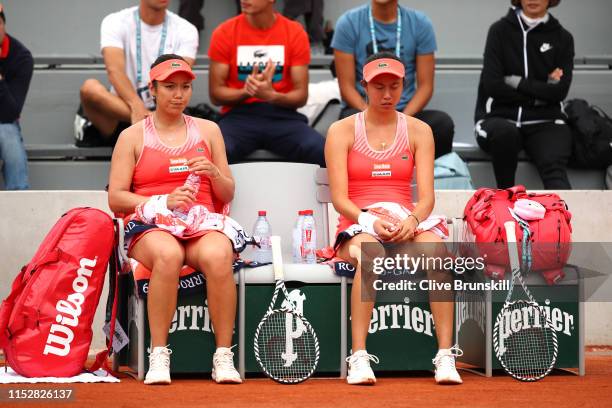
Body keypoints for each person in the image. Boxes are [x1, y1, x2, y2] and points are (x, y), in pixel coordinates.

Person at [325, 52, 463, 385]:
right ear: (364, 87)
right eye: (378, 87)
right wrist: (369, 221)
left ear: (404, 85)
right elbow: (339, 199)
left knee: (439, 254)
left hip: (405, 226)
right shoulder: (341, 130)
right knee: (370, 256)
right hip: (358, 228)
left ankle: (445, 356)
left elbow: (427, 198)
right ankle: (359, 356)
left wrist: (412, 221)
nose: (386, 94)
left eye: (394, 86)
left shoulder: (420, 130)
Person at [108, 54, 242, 385]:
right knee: (168, 254)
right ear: (152, 89)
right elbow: (116, 198)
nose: (178, 94)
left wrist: (213, 173)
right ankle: (158, 354)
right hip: (151, 226)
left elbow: (227, 193)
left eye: (184, 87)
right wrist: (161, 201)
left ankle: (223, 355)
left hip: (200, 223)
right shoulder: (132, 136)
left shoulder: (209, 131)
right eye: (170, 87)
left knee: (219, 254)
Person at [208, 0, 326, 167]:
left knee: (322, 151)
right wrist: (247, 91)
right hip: (238, 116)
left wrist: (272, 96)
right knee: (212, 153)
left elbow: (300, 96)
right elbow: (216, 93)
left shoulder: (294, 32)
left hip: (283, 116)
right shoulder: (225, 32)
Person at [331, 0, 454, 159]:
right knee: (347, 124)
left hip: (405, 109)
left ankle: (433, 177)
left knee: (442, 124)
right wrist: (369, 114)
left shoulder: (420, 24)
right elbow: (346, 87)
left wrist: (403, 121)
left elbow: (426, 86)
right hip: (363, 109)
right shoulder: (348, 23)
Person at [474, 0, 574, 189]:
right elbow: (493, 85)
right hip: (500, 117)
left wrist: (517, 82)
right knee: (505, 135)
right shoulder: (499, 31)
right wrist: (540, 94)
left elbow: (559, 91)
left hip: (546, 121)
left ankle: (561, 216)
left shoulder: (563, 37)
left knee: (554, 165)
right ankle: (506, 202)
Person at [78, 0, 198, 147]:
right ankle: (151, 120)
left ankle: (154, 121)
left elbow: (180, 78)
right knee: (90, 88)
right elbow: (115, 71)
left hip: (165, 112)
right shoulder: (115, 21)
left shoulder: (186, 29)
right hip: (124, 112)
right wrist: (136, 105)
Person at [0, 3, 32, 190]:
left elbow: (11, 112)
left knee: (8, 137)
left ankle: (19, 196)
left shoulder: (21, 57)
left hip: (4, 121)